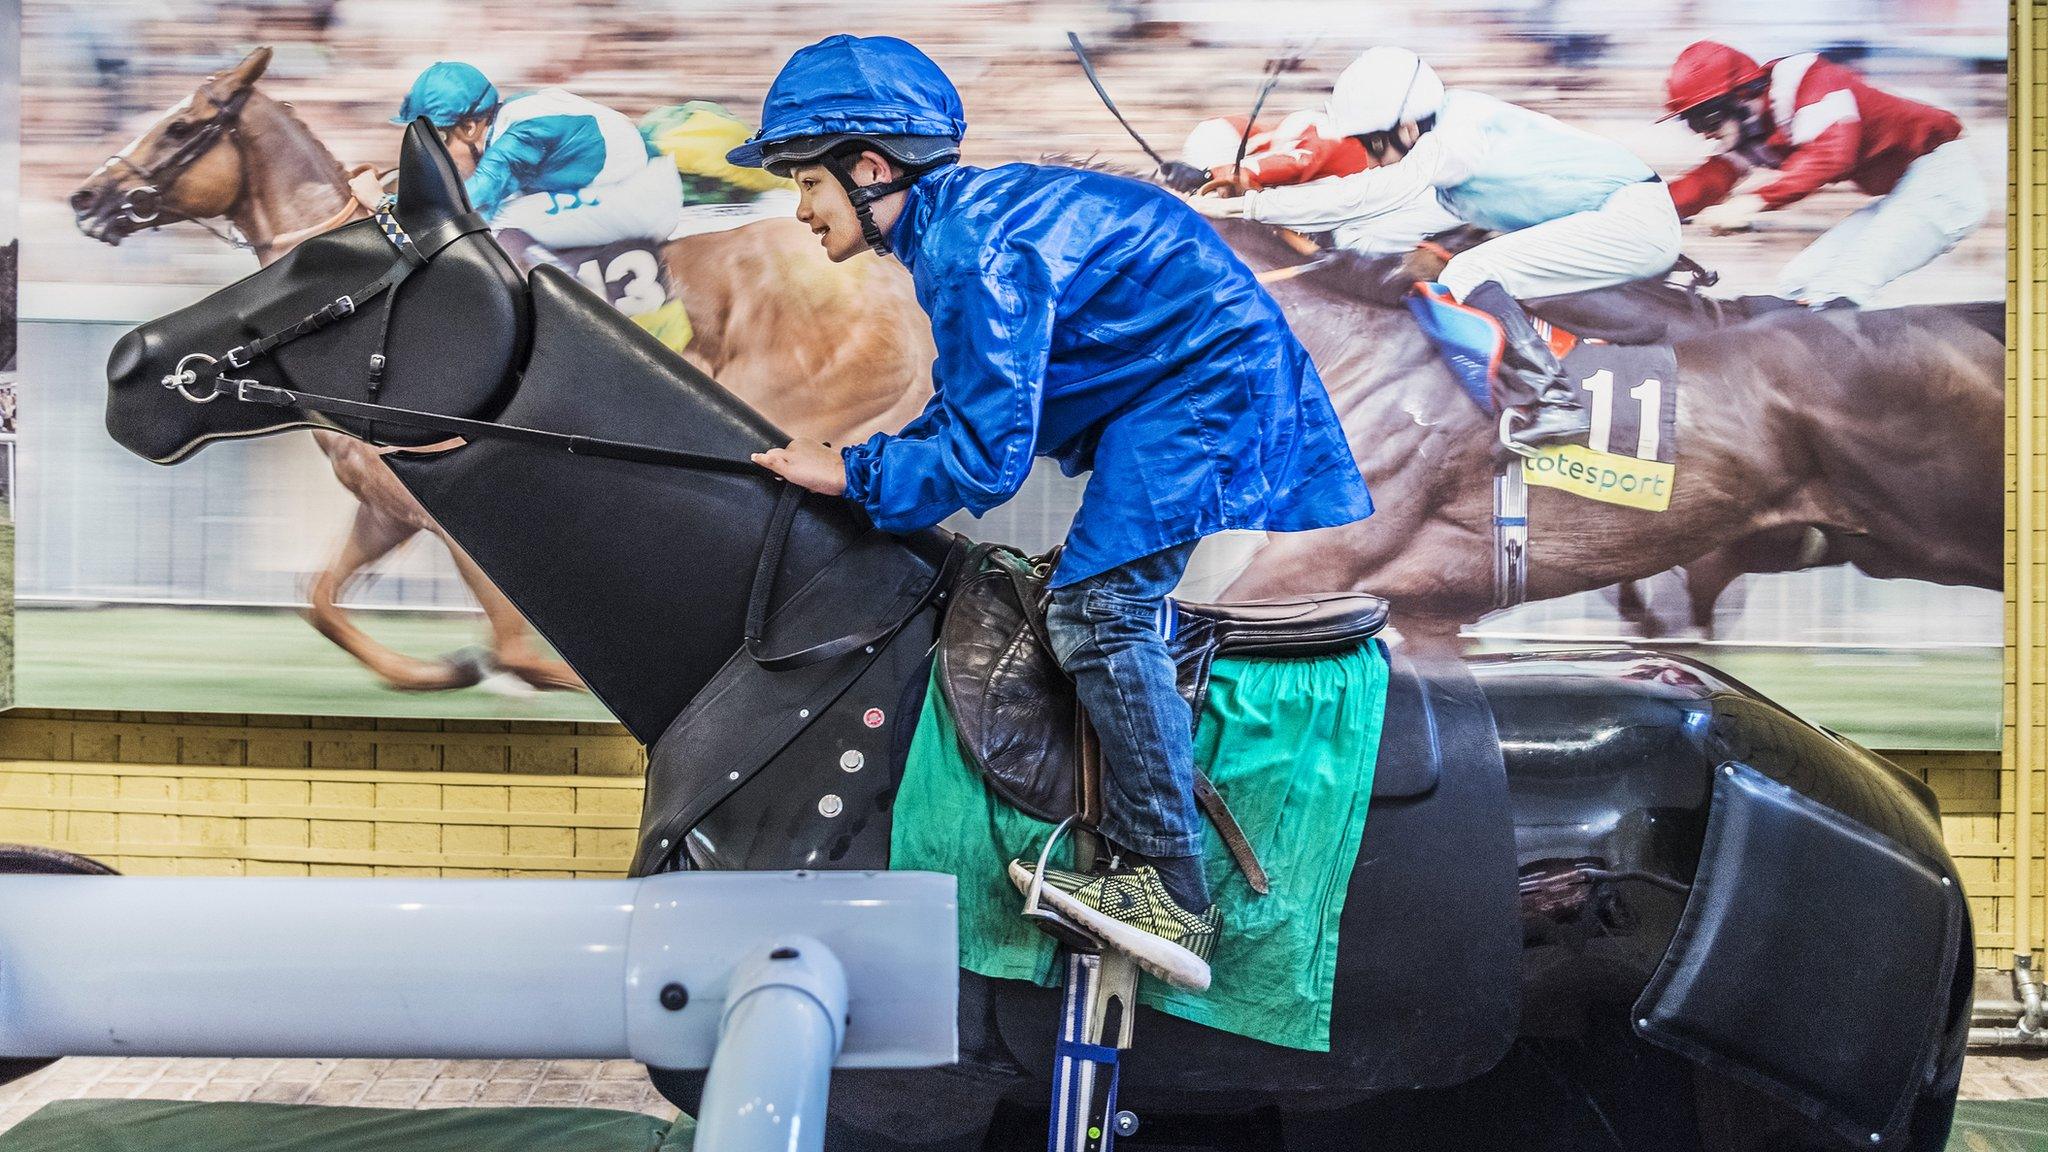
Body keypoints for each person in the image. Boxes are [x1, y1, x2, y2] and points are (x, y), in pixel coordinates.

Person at [732, 34, 1373, 990]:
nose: (801, 208)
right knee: (1094, 596)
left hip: (1201, 391)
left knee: (1098, 612)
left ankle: (1169, 890)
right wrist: (865, 464)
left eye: (808, 183)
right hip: (1180, 391)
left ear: (870, 169)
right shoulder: (955, 230)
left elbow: (987, 460)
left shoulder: (969, 249)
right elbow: (975, 408)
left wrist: (854, 476)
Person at [1190, 46, 1681, 448]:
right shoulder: (1448, 153)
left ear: (1406, 127)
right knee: (1459, 269)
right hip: (1613, 216)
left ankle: (1553, 402)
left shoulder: (1457, 137)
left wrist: (1248, 208)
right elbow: (1368, 225)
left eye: (1373, 144)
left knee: (1469, 272)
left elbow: (1369, 194)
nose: (1369, 157)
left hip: (1632, 220)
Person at [1660, 41, 1987, 307]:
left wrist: (1751, 203)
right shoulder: (1752, 126)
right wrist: (1648, 210)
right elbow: (1707, 183)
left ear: (1742, 96)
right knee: (1798, 285)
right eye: (1692, 122)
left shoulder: (1811, 81)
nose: (1703, 132)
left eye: (1706, 118)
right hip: (1907, 190)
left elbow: (1832, 156)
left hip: (1944, 181)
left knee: (1837, 288)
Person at [393, 61, 682, 250]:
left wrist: (384, 204)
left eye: (439, 142)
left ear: (469, 127)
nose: (434, 157)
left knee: (503, 223)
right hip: (631, 184)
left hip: (646, 198)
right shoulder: (508, 118)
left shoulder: (520, 137)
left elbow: (468, 204)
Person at [1180, 108, 1463, 256]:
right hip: (1220, 142)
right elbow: (1276, 168)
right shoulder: (1345, 148)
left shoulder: (1350, 142)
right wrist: (1214, 177)